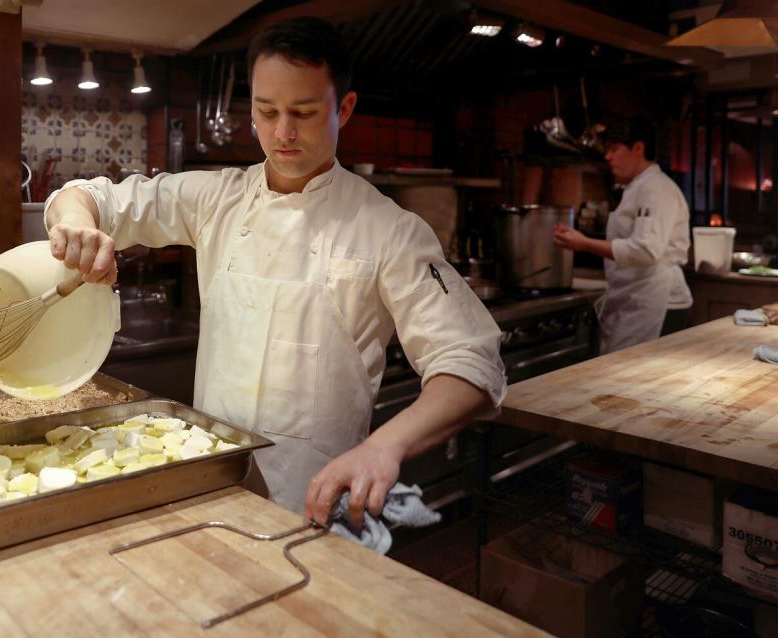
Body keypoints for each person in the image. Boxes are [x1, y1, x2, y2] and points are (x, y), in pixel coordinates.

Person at [43, 17, 505, 528]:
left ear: (344, 109)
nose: (283, 132)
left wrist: (383, 447)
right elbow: (93, 197)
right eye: (267, 111)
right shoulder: (217, 199)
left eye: (303, 113)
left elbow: (471, 363)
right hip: (210, 491)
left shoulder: (389, 230)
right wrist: (76, 223)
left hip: (316, 506)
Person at [553, 116, 692, 354]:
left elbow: (646, 251)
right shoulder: (637, 187)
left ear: (638, 148)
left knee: (637, 385)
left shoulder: (655, 188)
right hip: (638, 298)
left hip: (657, 301)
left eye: (614, 150)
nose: (607, 157)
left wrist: (584, 243)